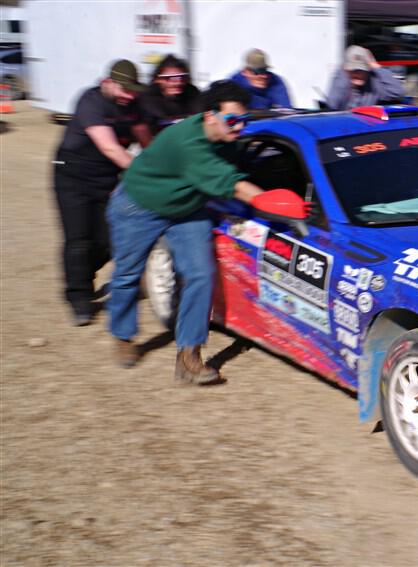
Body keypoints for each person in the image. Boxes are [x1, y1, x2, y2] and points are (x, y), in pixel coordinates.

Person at [106, 80, 265, 384]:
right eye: (233, 120)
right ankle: (122, 335)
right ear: (209, 116)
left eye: (244, 120)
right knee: (127, 272)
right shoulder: (188, 143)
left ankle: (188, 356)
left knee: (201, 273)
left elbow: (240, 168)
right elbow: (232, 185)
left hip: (187, 206)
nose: (240, 127)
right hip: (140, 205)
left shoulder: (228, 135)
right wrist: (267, 200)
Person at [53, 59, 147, 326]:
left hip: (106, 178)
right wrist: (147, 174)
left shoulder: (133, 105)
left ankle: (79, 273)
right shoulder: (91, 101)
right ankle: (79, 297)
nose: (129, 95)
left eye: (133, 90)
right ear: (108, 83)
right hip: (72, 176)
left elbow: (145, 139)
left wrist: (157, 160)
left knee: (110, 239)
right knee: (79, 238)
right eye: (124, 89)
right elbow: (110, 148)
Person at [325, 45, 405, 111]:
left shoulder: (374, 83)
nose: (357, 73)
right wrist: (342, 75)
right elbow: (332, 104)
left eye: (361, 70)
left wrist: (377, 67)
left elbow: (398, 92)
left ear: (368, 70)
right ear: (346, 70)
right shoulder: (342, 81)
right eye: (353, 70)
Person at [138, 54, 202, 136]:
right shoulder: (148, 98)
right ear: (158, 79)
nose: (178, 83)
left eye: (182, 77)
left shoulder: (193, 93)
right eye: (171, 78)